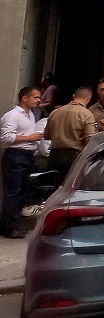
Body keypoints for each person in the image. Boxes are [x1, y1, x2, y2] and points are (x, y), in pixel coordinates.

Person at [1, 87, 44, 238]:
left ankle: (14, 224)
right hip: (16, 155)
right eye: (35, 97)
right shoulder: (12, 116)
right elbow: (6, 138)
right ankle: (9, 227)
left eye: (39, 97)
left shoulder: (31, 115)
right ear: (24, 98)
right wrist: (30, 138)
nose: (38, 100)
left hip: (28, 155)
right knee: (14, 191)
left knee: (23, 191)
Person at [44, 86, 98, 178]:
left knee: (54, 183)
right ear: (89, 98)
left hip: (54, 155)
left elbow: (46, 136)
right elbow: (90, 139)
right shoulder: (87, 114)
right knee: (71, 184)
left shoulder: (55, 112)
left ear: (73, 96)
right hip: (74, 156)